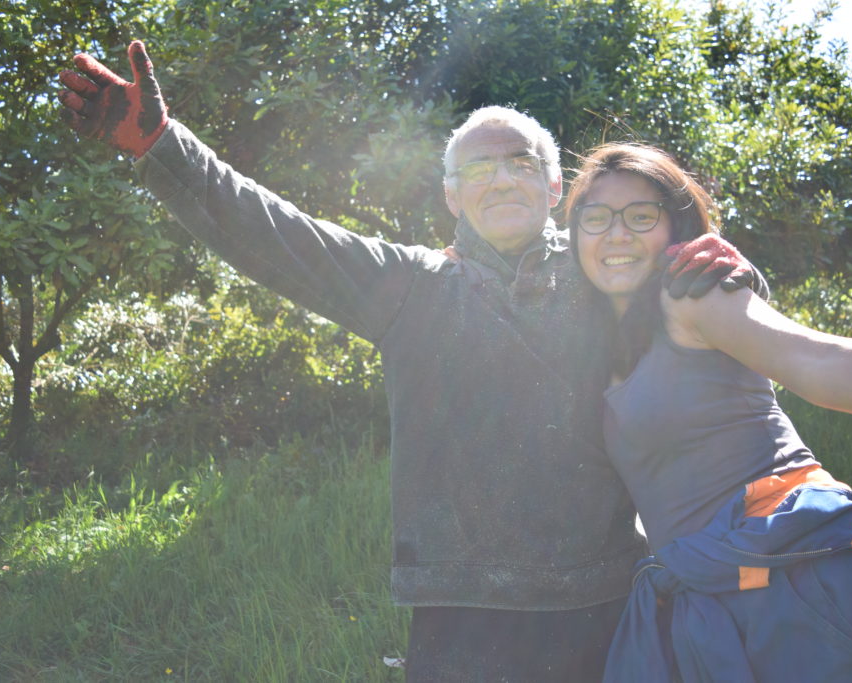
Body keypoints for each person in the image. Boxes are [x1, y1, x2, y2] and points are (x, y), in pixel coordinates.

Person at [57, 42, 765, 681]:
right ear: (452, 195)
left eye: (521, 163)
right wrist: (161, 144)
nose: (500, 179)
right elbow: (277, 237)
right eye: (477, 168)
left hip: (609, 600)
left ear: (554, 188)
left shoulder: (611, 276)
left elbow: (716, 337)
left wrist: (727, 270)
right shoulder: (415, 287)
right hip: (460, 614)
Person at [565, 141, 852, 682]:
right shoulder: (591, 341)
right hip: (712, 598)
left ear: (674, 228)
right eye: (596, 217)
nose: (617, 233)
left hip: (797, 565)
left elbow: (820, 362)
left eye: (641, 216)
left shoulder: (694, 295)